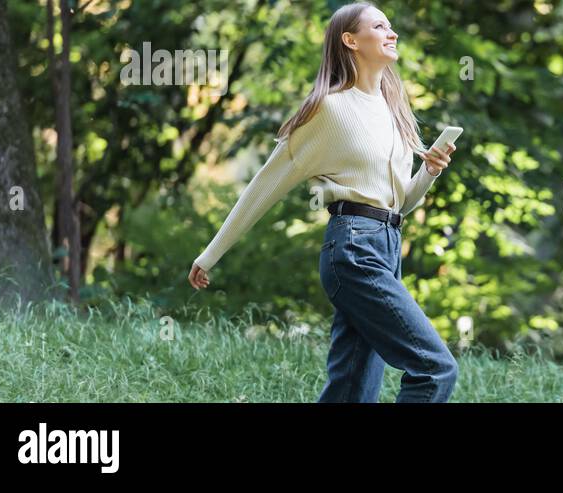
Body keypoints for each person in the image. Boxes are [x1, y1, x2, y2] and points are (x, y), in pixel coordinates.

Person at [187, 2, 459, 403]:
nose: (392, 33)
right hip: (353, 248)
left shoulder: (392, 110)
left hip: (386, 244)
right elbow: (264, 185)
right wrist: (210, 255)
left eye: (391, 26)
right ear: (351, 40)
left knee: (351, 388)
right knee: (434, 369)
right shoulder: (328, 110)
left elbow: (399, 203)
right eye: (380, 26)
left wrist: (429, 172)